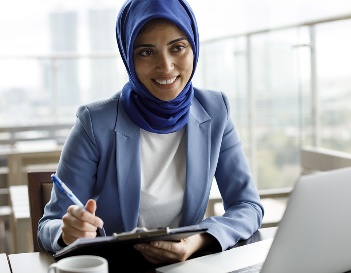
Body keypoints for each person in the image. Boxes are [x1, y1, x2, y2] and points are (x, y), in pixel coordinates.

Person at [38, 0, 264, 268]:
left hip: (187, 266)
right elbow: (48, 226)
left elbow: (248, 206)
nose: (166, 66)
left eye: (177, 47)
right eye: (146, 52)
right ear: (128, 57)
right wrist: (68, 232)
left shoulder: (216, 111)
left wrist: (199, 240)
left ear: (194, 48)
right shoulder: (93, 123)